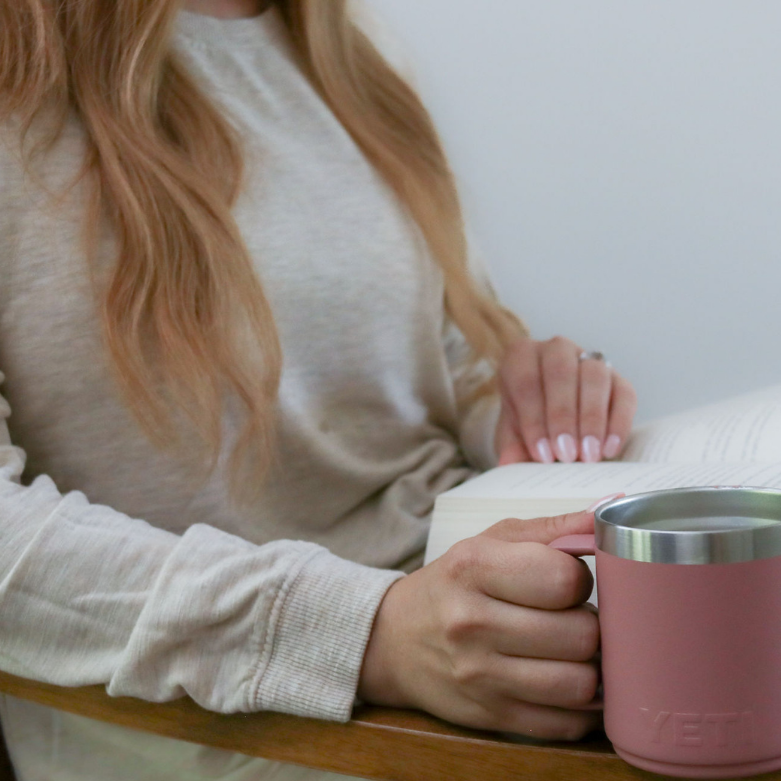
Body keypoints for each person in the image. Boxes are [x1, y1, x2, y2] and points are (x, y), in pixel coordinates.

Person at [0, 0, 638, 778]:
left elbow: (440, 358)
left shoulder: (348, 49)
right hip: (230, 727)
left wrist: (516, 401)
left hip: (466, 629)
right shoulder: (20, 76)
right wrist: (370, 635)